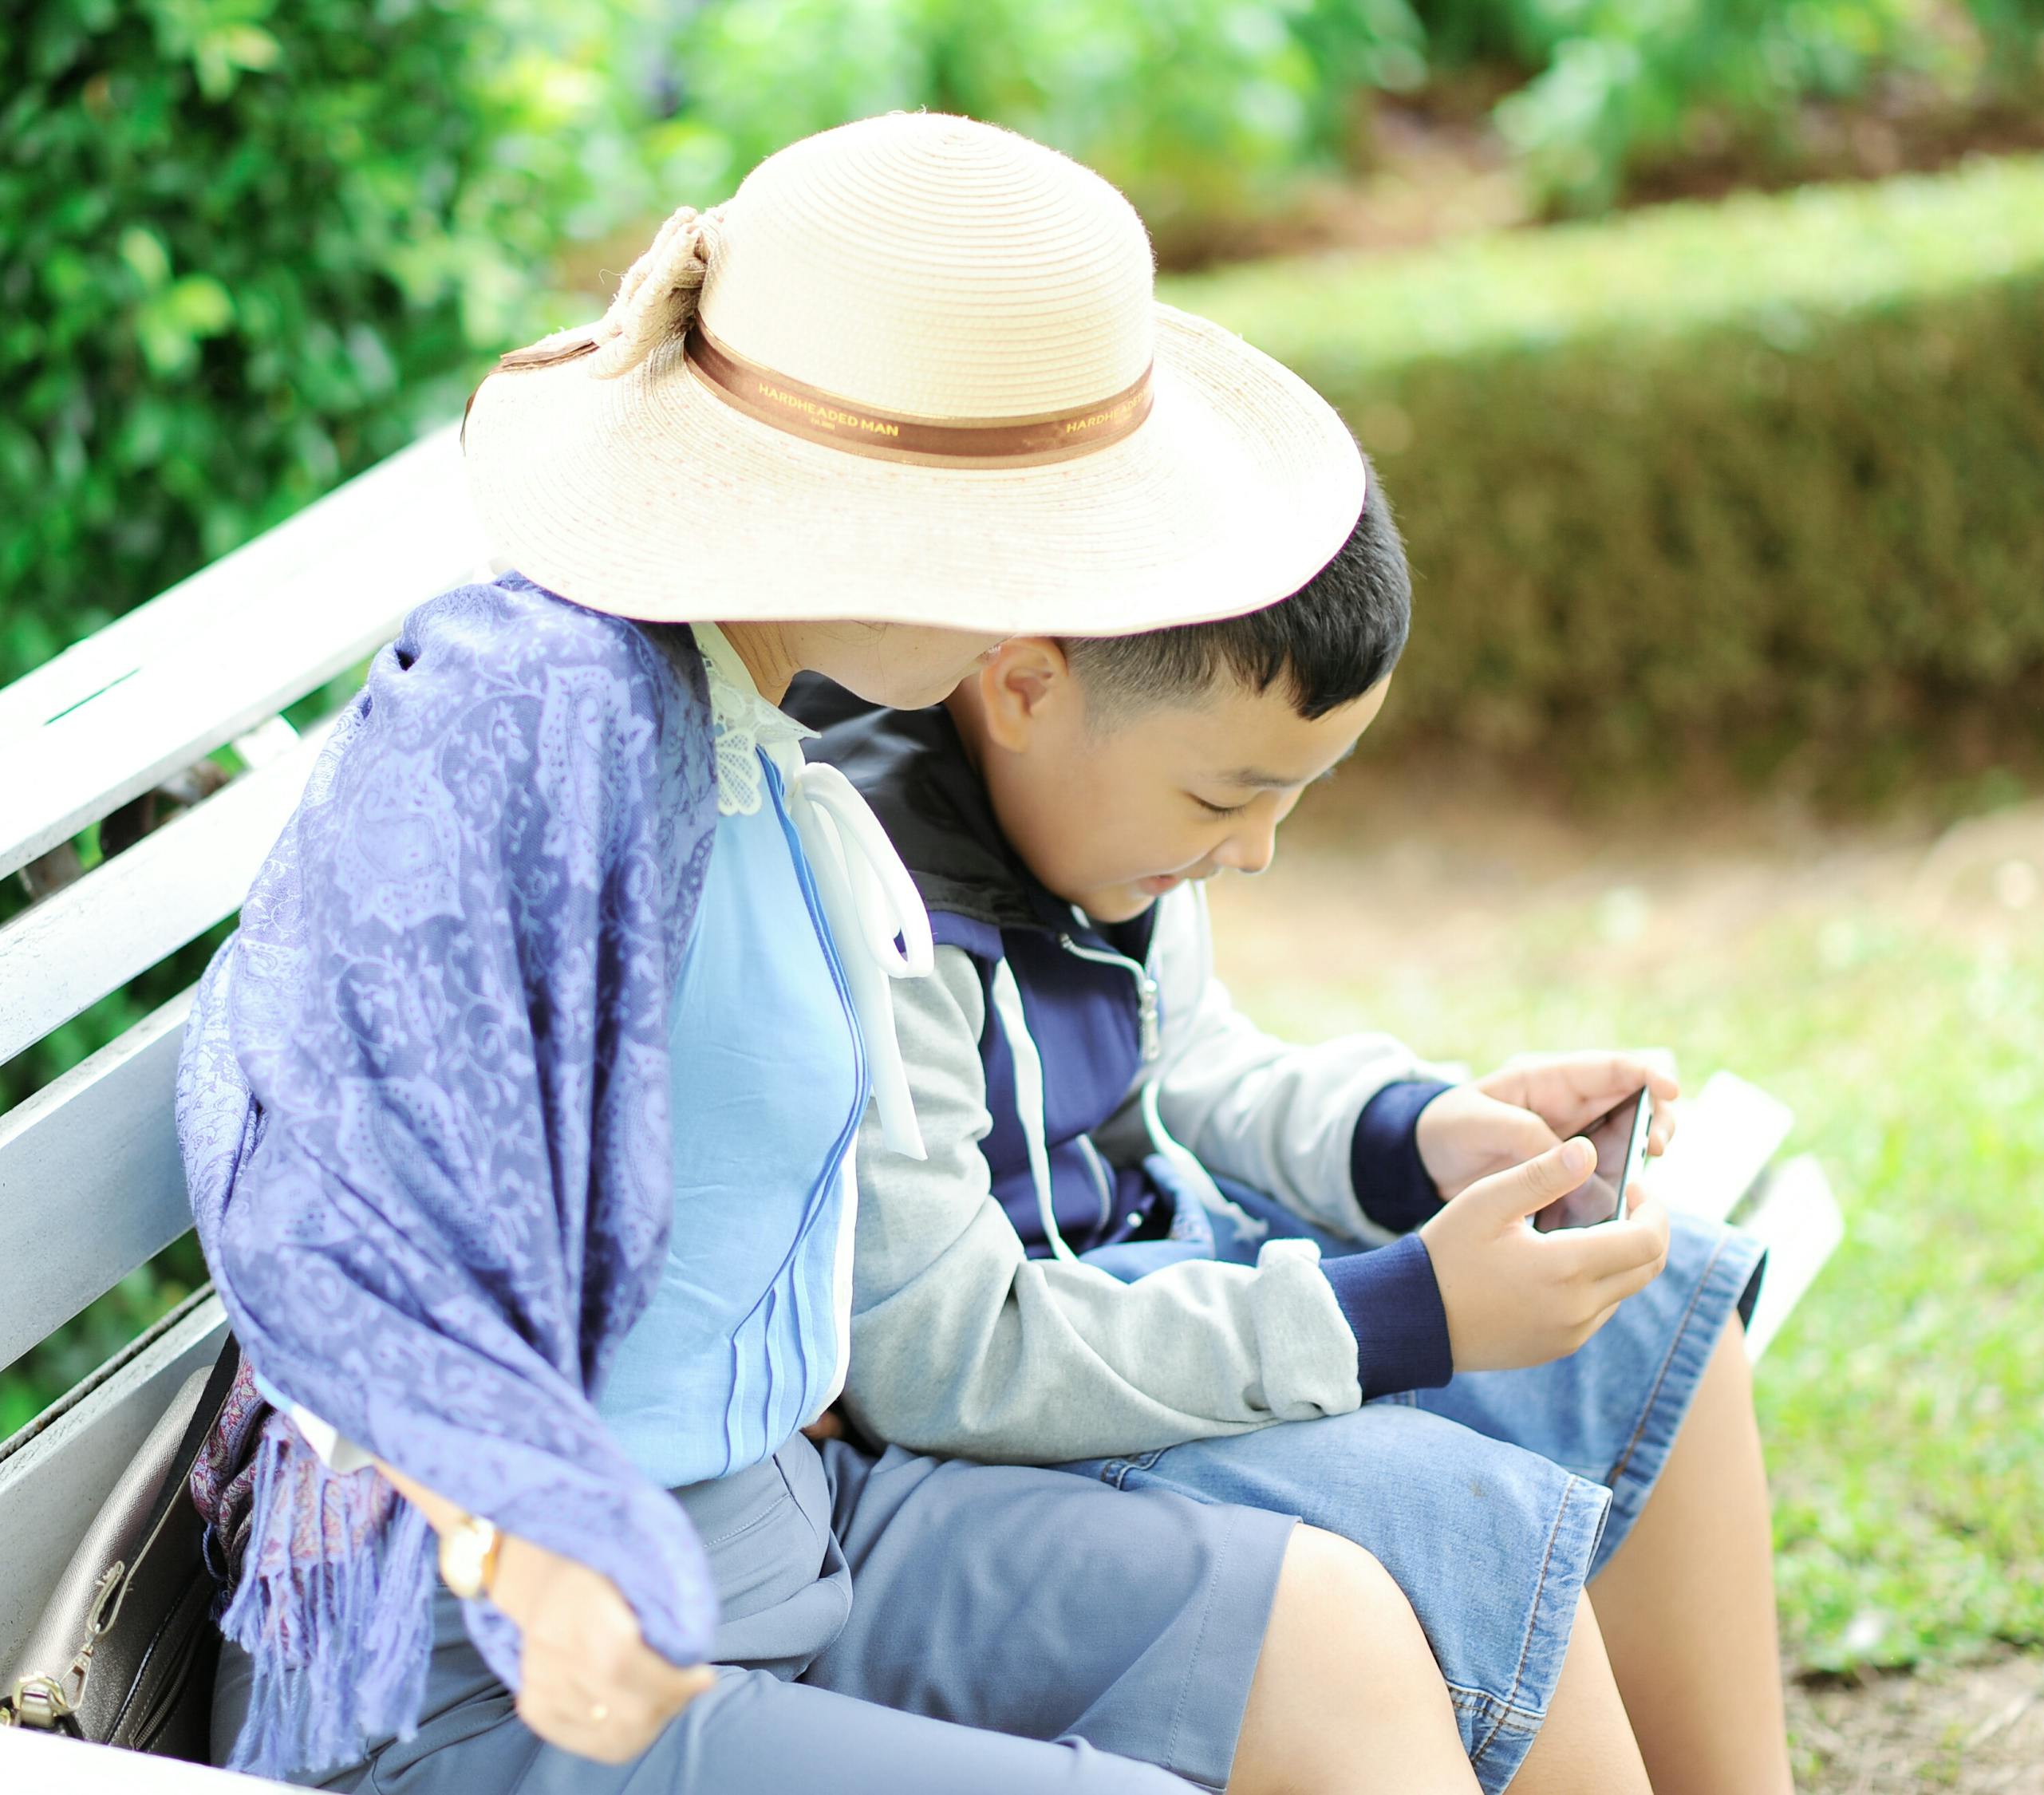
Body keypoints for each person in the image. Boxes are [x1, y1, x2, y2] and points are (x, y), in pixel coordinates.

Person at [178, 114, 1495, 1795]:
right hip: (505, 1675)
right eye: (1072, 537)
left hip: (783, 1544)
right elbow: (317, 1176)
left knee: (1324, 1633)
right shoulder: (539, 705)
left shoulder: (757, 715)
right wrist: (522, 1541)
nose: (1090, 603)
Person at [787, 467, 1795, 1794]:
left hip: (1169, 1288)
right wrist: (1396, 1313)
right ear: (1024, 685)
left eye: (1294, 798)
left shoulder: (1096, 806)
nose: (1254, 851)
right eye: (1225, 801)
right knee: (1458, 1519)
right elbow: (944, 1358)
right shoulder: (876, 893)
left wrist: (1421, 1132)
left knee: (1662, 1307)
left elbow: (1190, 1056)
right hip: (1020, 1397)